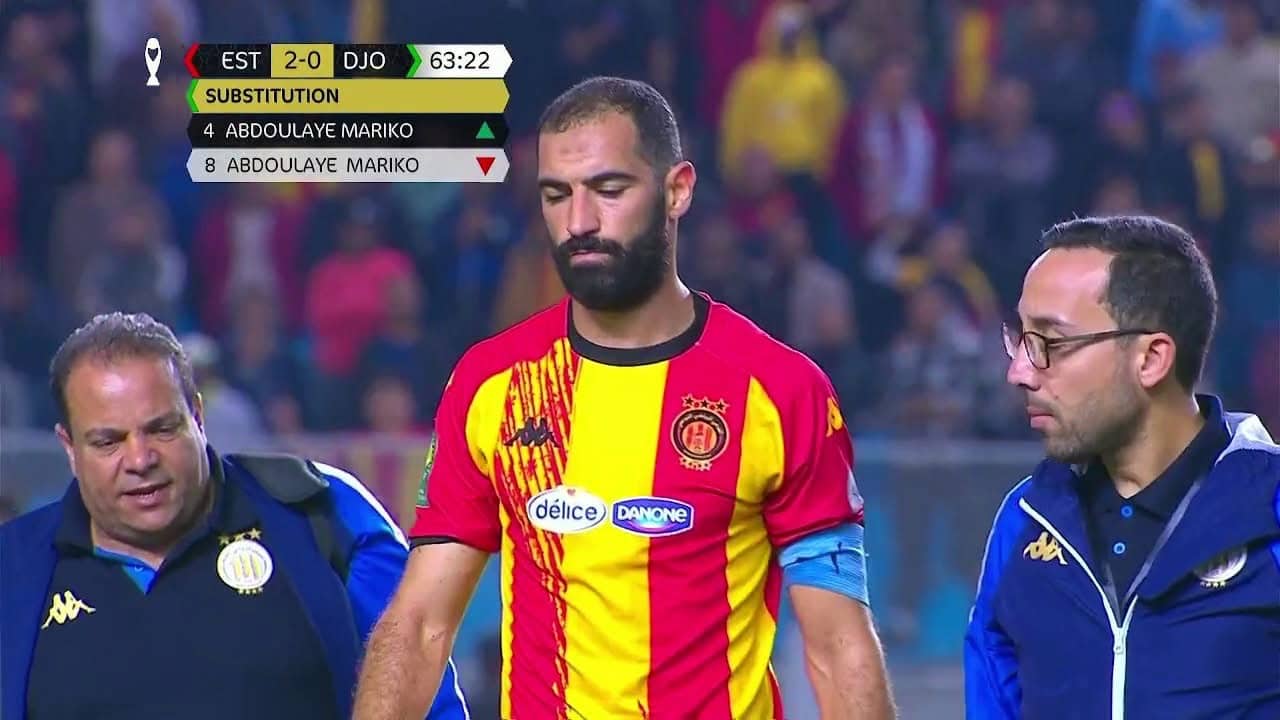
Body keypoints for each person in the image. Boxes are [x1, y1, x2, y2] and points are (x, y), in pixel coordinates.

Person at [352, 76, 895, 719]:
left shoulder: (780, 391)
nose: (579, 222)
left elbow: (837, 645)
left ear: (677, 190)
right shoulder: (492, 385)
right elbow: (419, 624)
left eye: (609, 190)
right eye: (556, 195)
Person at [0, 312, 470, 720]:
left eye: (161, 429)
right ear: (69, 447)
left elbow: (425, 689)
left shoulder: (318, 513)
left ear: (198, 416)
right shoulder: (13, 571)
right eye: (108, 442)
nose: (140, 459)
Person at [965, 216, 1280, 718]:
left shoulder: (1268, 508)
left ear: (1151, 359)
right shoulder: (1024, 520)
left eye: (1051, 342)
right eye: (1019, 338)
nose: (1019, 371)